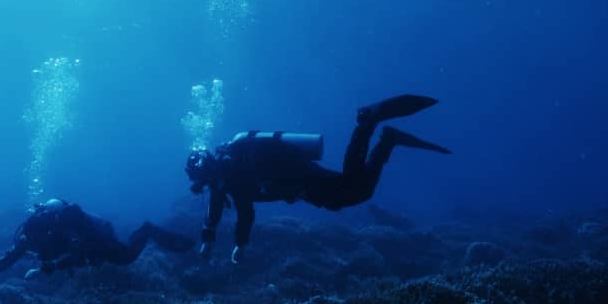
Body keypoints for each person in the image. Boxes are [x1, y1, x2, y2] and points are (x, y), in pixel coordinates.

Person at [184, 94, 450, 263]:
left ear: (206, 173)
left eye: (201, 182)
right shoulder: (225, 173)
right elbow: (216, 207)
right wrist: (209, 238)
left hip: (304, 179)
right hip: (302, 181)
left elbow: (243, 211)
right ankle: (386, 139)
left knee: (353, 191)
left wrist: (240, 245)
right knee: (356, 191)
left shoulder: (230, 176)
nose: (203, 187)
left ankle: (368, 124)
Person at [0, 198, 195, 282]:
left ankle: (147, 230)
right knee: (104, 260)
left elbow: (77, 252)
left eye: (38, 241)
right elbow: (10, 258)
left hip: (97, 237)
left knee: (124, 258)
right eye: (31, 241)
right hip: (81, 247)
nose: (33, 245)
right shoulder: (28, 237)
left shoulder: (61, 229)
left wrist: (49, 268)